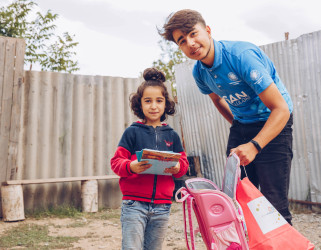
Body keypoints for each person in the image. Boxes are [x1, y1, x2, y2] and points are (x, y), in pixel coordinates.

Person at [159, 9, 294, 224]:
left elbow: (282, 109)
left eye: (193, 34)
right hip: (243, 126)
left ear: (208, 31)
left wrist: (254, 145)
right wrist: (239, 126)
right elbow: (216, 100)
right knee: (239, 197)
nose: (190, 43)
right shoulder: (200, 72)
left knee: (274, 204)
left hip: (273, 121)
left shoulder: (241, 56)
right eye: (182, 41)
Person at [110, 67, 189, 249]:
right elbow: (116, 163)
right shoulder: (132, 132)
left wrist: (178, 168)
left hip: (162, 206)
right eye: (148, 101)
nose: (154, 106)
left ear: (165, 104)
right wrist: (131, 166)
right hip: (134, 204)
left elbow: (183, 165)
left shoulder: (172, 135)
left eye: (159, 101)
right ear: (140, 104)